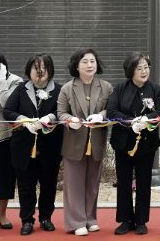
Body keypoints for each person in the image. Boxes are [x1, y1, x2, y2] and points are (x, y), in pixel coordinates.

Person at [4, 54, 63, 235]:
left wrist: (50, 118)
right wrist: (23, 120)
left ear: (50, 70)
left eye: (43, 68)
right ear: (29, 70)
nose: (40, 72)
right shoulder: (21, 89)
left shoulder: (59, 90)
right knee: (25, 186)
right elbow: (8, 111)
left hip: (50, 147)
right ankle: (27, 220)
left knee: (48, 185)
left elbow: (63, 111)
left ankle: (46, 218)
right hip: (23, 147)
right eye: (35, 68)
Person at [106, 53, 160, 235]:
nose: (144, 71)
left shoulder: (155, 89)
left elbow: (159, 111)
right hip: (124, 142)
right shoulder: (120, 88)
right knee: (123, 181)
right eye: (139, 68)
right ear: (131, 70)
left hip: (146, 143)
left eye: (146, 67)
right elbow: (111, 111)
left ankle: (141, 220)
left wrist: (145, 120)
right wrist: (131, 121)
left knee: (144, 182)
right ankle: (125, 220)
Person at [57, 48, 113, 236]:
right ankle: (76, 222)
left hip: (96, 142)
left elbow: (112, 109)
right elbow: (61, 113)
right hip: (74, 142)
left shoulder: (106, 87)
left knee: (92, 184)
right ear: (76, 66)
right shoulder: (67, 88)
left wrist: (101, 115)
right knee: (74, 184)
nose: (90, 65)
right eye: (85, 62)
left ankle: (90, 218)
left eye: (92, 61)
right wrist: (69, 120)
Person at [0, 53, 23, 230]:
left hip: (5, 136)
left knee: (4, 176)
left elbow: (5, 105)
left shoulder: (15, 81)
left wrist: (1, 83)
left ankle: (2, 214)